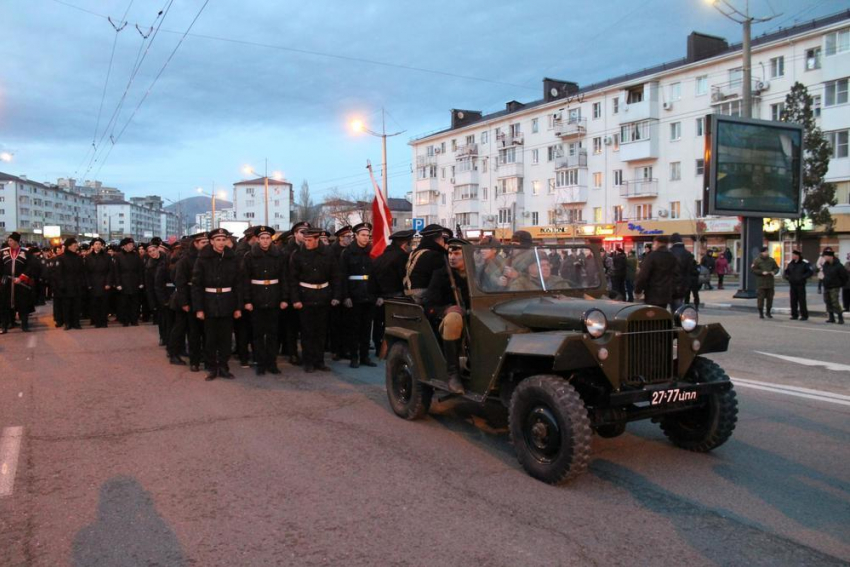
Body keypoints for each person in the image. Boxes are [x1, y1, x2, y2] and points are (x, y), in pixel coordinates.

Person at [192, 228, 243, 381]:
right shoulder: (202, 258)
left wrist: (238, 307)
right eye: (218, 240)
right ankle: (212, 367)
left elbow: (238, 284)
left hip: (227, 301)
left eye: (223, 240)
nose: (221, 243)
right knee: (210, 338)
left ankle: (224, 366)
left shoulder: (232, 258)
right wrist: (199, 308)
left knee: (226, 338)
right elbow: (197, 285)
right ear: (212, 241)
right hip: (209, 301)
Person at [422, 238, 471, 394]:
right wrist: (446, 310)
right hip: (445, 322)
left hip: (473, 316)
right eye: (450, 252)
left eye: (457, 253)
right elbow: (428, 305)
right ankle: (453, 373)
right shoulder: (441, 275)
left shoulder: (477, 274)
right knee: (453, 319)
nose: (452, 257)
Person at [289, 227, 341, 373]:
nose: (307, 243)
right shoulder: (298, 254)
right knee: (307, 332)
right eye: (305, 240)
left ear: (317, 239)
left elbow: (335, 276)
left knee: (321, 331)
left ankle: (319, 361)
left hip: (323, 296)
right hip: (305, 296)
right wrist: (295, 299)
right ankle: (308, 361)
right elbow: (292, 279)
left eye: (310, 240)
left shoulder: (328, 253)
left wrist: (336, 296)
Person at [241, 225, 288, 376]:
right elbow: (245, 280)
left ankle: (272, 363)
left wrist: (284, 298)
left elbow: (284, 278)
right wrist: (247, 300)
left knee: (273, 333)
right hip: (256, 299)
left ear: (271, 239)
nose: (265, 241)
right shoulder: (249, 256)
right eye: (262, 238)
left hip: (274, 298)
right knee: (258, 334)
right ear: (257, 239)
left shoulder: (279, 255)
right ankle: (260, 363)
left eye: (268, 238)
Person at [340, 222, 378, 368]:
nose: (366, 238)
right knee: (354, 328)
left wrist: (378, 294)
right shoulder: (348, 252)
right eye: (362, 235)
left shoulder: (372, 251)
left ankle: (365, 357)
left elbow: (376, 275)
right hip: (354, 294)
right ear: (356, 236)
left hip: (369, 294)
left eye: (368, 235)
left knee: (366, 328)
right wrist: (346, 296)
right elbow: (342, 276)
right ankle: (354, 357)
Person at [371, 229, 413, 350]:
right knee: (396, 325)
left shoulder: (379, 258)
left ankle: (379, 347)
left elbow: (372, 281)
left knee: (379, 324)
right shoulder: (403, 258)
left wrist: (377, 296)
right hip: (398, 299)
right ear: (405, 245)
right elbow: (404, 279)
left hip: (380, 299)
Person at [171, 232, 208, 371]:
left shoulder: (206, 257)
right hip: (185, 298)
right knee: (181, 328)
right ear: (196, 244)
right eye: (203, 242)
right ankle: (174, 353)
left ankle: (202, 355)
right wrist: (184, 302)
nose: (206, 245)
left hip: (200, 298)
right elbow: (180, 282)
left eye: (207, 242)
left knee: (200, 330)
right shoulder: (185, 260)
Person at [280, 221, 309, 365]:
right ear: (295, 234)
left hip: (307, 293)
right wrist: (287, 296)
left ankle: (306, 353)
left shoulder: (309, 249)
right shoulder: (286, 251)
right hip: (292, 293)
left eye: (306, 232)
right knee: (292, 326)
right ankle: (292, 353)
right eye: (301, 232)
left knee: (306, 327)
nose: (304, 235)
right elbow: (285, 276)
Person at [404, 224, 448, 302]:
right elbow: (441, 280)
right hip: (422, 295)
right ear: (439, 239)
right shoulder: (434, 255)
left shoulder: (414, 252)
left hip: (408, 293)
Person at [1, 232, 35, 333]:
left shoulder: (26, 252)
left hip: (20, 283)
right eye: (8, 240)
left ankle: (25, 325)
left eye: (10, 240)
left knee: (23, 305)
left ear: (16, 241)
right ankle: (4, 326)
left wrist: (21, 277)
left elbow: (31, 266)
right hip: (6, 283)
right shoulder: (3, 252)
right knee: (4, 305)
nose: (8, 242)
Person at [634, 235, 680, 309]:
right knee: (662, 313)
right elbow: (676, 275)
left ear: (657, 243)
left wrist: (638, 290)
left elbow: (643, 275)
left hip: (652, 293)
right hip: (666, 293)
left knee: (651, 315)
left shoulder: (652, 256)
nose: (653, 246)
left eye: (654, 244)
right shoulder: (672, 257)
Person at [328, 226, 352, 361]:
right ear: (341, 238)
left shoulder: (350, 251)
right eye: (347, 237)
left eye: (351, 237)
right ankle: (335, 350)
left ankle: (345, 349)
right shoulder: (332, 251)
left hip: (348, 289)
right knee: (335, 323)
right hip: (335, 291)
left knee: (347, 323)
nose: (350, 239)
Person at [55, 238, 86, 330]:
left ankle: (76, 323)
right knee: (66, 306)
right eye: (74, 246)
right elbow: (59, 273)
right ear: (68, 246)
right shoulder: (61, 258)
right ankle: (67, 323)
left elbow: (82, 272)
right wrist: (61, 285)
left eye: (76, 246)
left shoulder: (78, 257)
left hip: (77, 285)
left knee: (77, 305)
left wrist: (82, 283)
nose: (76, 247)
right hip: (66, 286)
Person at [113, 238, 144, 326]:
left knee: (135, 303)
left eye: (132, 244)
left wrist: (141, 282)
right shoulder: (118, 256)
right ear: (125, 246)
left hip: (135, 282)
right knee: (124, 303)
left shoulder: (136, 255)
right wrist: (117, 283)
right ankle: (125, 320)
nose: (132, 246)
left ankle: (134, 320)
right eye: (130, 244)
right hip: (123, 283)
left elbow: (140, 270)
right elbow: (116, 271)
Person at [84, 237, 112, 328]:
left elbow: (110, 271)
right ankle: (96, 321)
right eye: (96, 244)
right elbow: (86, 272)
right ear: (92, 246)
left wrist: (108, 283)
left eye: (99, 244)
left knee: (104, 304)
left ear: (102, 245)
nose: (98, 246)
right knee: (94, 304)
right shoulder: (88, 257)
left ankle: (104, 321)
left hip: (104, 283)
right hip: (93, 283)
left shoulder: (107, 256)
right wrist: (88, 284)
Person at [783, 249, 814, 321]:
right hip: (792, 284)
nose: (793, 256)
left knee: (802, 300)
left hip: (801, 284)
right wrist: (787, 277)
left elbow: (810, 272)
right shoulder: (791, 263)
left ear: (798, 256)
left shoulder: (804, 263)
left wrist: (803, 277)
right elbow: (786, 272)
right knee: (793, 300)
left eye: (794, 255)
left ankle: (804, 315)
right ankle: (794, 315)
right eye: (792, 255)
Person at [751, 246, 779, 319]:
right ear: (761, 252)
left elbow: (776, 268)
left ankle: (768, 312)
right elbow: (753, 270)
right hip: (761, 283)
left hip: (770, 283)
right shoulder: (757, 260)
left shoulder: (771, 260)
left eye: (767, 251)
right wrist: (761, 272)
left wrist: (774, 272)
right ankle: (761, 313)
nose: (766, 253)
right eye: (765, 252)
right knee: (761, 299)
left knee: (770, 298)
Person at [821, 249, 848, 324]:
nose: (824, 258)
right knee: (827, 301)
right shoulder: (825, 265)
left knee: (834, 302)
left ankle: (840, 317)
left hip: (835, 286)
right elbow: (824, 274)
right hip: (827, 286)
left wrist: (840, 284)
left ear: (830, 256)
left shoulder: (839, 266)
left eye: (825, 256)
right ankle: (831, 317)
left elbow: (844, 276)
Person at [669, 233, 694, 311]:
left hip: (670, 285)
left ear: (672, 241)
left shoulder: (669, 252)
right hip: (683, 285)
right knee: (678, 308)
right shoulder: (688, 254)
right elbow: (690, 271)